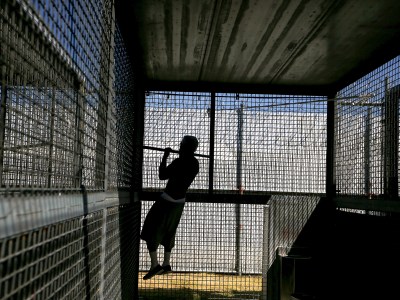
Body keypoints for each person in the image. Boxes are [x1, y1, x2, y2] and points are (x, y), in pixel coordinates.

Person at [141, 135, 199, 280]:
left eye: (181, 145)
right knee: (170, 230)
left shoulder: (178, 162)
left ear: (184, 147)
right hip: (179, 203)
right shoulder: (195, 164)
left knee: (150, 228)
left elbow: (162, 175)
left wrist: (165, 156)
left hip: (166, 201)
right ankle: (166, 263)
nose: (179, 147)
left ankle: (155, 265)